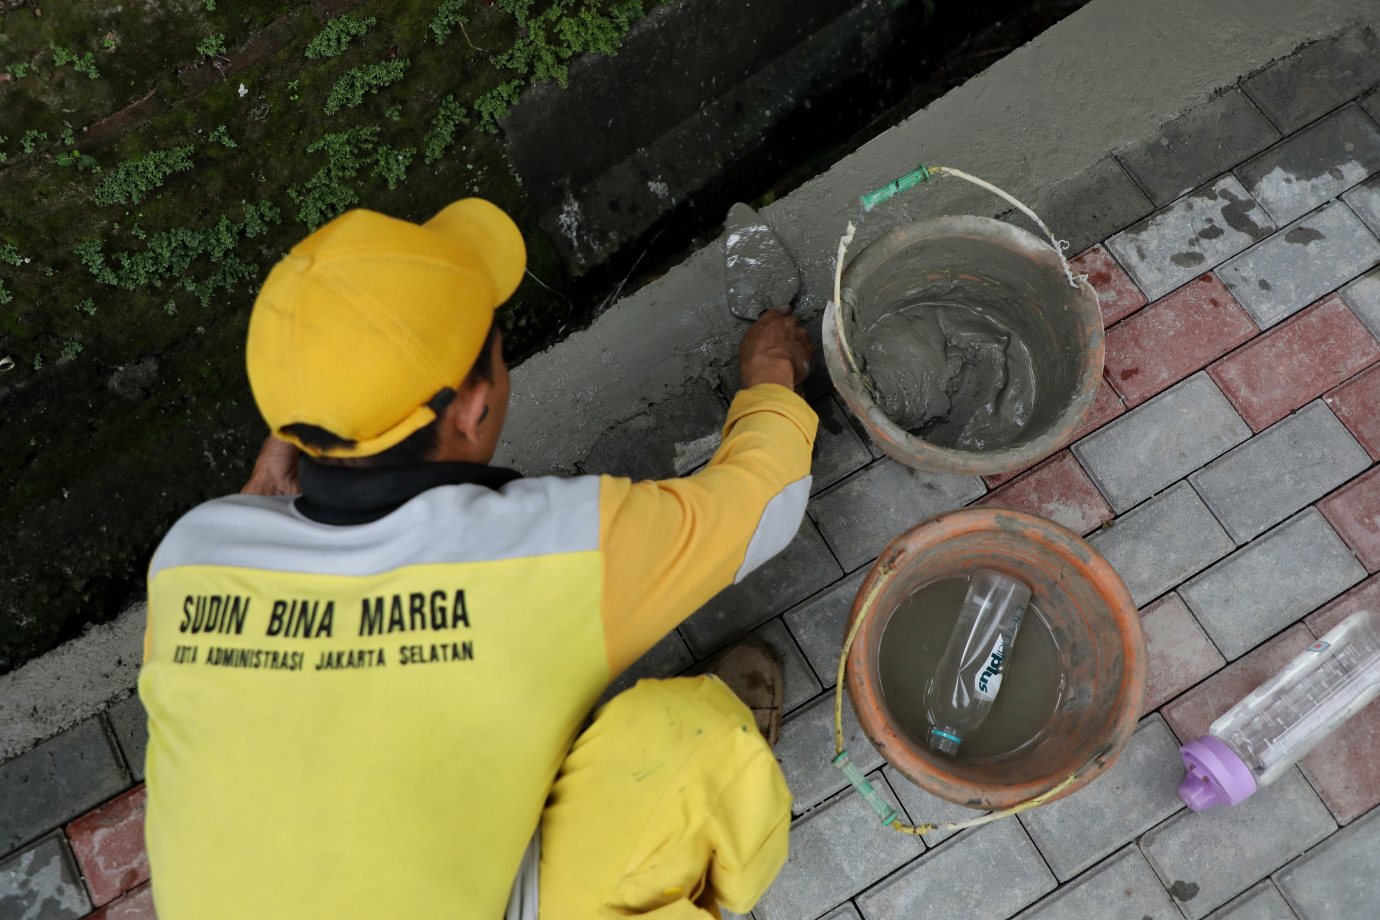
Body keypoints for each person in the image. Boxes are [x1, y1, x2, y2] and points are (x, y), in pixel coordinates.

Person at [138, 198, 818, 920]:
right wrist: (771, 377)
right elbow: (764, 508)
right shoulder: (549, 547)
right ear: (468, 409)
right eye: (499, 350)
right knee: (692, 747)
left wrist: (246, 519)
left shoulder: (188, 558)